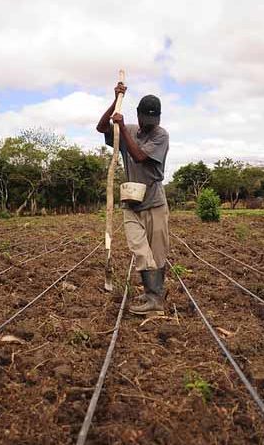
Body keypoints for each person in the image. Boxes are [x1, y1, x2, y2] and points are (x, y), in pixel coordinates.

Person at [96, 82, 170, 316]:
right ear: (138, 115)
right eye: (145, 120)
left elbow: (138, 156)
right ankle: (152, 296)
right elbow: (101, 127)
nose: (149, 125)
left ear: (158, 119)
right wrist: (115, 101)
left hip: (154, 202)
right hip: (131, 202)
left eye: (153, 121)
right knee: (139, 249)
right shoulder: (129, 129)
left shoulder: (161, 135)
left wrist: (122, 128)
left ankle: (155, 297)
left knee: (157, 252)